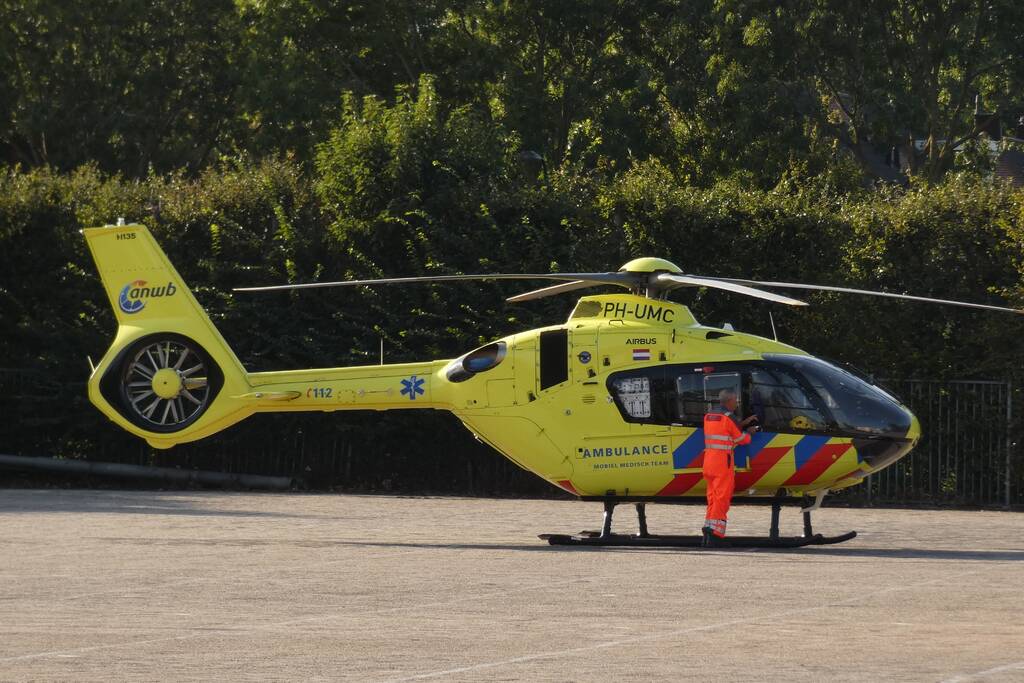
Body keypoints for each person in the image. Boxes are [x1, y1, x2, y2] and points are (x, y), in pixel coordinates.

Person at [701, 389, 758, 547]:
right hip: (722, 462)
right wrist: (750, 432)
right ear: (729, 401)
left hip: (709, 461)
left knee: (712, 497)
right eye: (736, 401)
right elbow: (741, 439)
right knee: (722, 498)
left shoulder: (709, 415)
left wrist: (742, 423)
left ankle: (708, 530)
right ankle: (716, 536)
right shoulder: (728, 417)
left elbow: (724, 429)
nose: (737, 403)